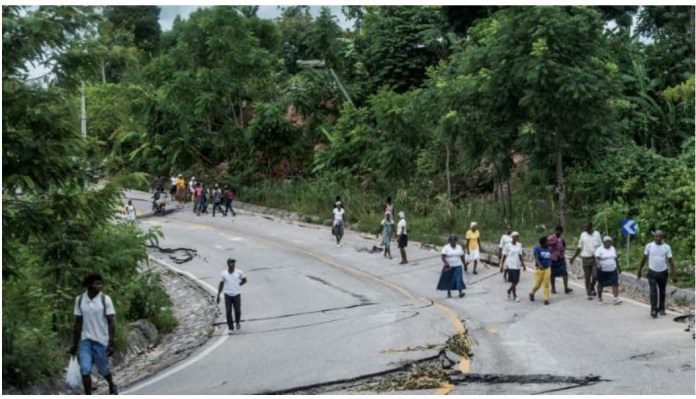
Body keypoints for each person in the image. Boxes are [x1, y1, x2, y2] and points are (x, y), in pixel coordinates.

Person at [69, 274, 118, 395]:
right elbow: (78, 323)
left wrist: (111, 342)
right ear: (89, 285)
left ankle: (111, 384)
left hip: (101, 340)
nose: (99, 286)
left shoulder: (105, 299)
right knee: (85, 370)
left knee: (104, 369)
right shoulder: (80, 300)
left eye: (100, 284)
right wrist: (74, 344)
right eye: (96, 284)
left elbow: (111, 321)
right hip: (86, 341)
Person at [637, 230, 678, 318]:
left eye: (660, 236)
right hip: (652, 272)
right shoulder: (649, 246)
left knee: (662, 291)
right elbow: (644, 259)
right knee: (653, 292)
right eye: (657, 236)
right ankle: (654, 310)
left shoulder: (667, 247)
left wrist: (674, 274)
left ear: (663, 237)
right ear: (654, 236)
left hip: (663, 272)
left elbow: (671, 262)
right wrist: (639, 270)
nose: (658, 238)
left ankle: (662, 308)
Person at [570, 222, 603, 300]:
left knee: (595, 275)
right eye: (584, 227)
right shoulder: (583, 235)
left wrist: (602, 256)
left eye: (586, 227)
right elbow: (579, 247)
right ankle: (589, 293)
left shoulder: (597, 234)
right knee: (587, 277)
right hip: (585, 258)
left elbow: (600, 246)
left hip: (595, 258)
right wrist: (573, 257)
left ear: (591, 227)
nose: (585, 229)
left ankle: (592, 287)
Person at [216, 259, 247, 334]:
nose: (233, 264)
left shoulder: (239, 272)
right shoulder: (224, 273)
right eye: (231, 263)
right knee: (228, 311)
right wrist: (218, 295)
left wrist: (239, 284)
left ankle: (237, 322)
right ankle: (230, 327)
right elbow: (221, 284)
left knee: (237, 310)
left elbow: (244, 280)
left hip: (236, 294)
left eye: (234, 263)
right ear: (228, 264)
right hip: (227, 294)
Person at [594, 236, 622, 305]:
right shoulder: (599, 249)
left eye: (609, 241)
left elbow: (615, 258)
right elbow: (596, 258)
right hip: (602, 270)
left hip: (612, 269)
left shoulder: (612, 248)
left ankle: (615, 298)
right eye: (607, 241)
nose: (608, 243)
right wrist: (598, 264)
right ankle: (600, 298)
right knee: (600, 284)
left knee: (614, 283)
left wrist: (619, 267)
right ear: (603, 242)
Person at [500, 232, 526, 302]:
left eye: (517, 237)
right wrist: (502, 265)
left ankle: (509, 290)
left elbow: (520, 255)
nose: (516, 238)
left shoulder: (519, 245)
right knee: (514, 281)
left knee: (517, 281)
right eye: (515, 237)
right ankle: (515, 296)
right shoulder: (507, 246)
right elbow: (504, 256)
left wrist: (523, 264)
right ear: (512, 237)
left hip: (517, 264)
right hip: (510, 264)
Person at [548, 225, 572, 295]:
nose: (559, 233)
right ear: (555, 231)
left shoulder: (562, 237)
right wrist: (553, 243)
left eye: (560, 232)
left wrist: (564, 248)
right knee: (552, 273)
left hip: (561, 257)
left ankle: (566, 288)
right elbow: (546, 243)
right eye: (558, 231)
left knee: (564, 272)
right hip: (553, 258)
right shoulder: (551, 237)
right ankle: (553, 288)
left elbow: (565, 245)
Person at [530, 236, 552, 305]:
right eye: (547, 241)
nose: (548, 242)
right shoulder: (537, 249)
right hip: (539, 269)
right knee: (537, 284)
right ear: (543, 243)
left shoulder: (548, 249)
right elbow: (536, 258)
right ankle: (532, 293)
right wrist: (539, 265)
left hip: (547, 269)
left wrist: (550, 263)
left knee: (546, 284)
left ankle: (546, 299)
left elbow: (549, 258)